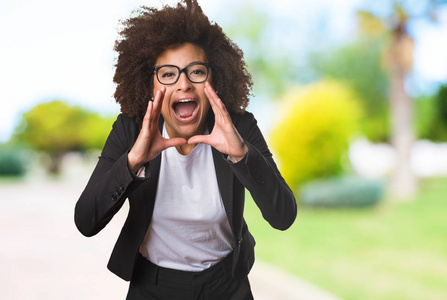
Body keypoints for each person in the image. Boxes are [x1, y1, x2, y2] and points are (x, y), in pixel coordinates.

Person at [74, 0, 297, 299]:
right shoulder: (130, 130)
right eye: (168, 74)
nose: (183, 85)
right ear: (150, 85)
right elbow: (86, 221)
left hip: (225, 286)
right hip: (151, 286)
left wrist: (241, 155)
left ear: (214, 78)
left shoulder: (238, 127)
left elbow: (283, 216)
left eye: (196, 72)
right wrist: (132, 162)